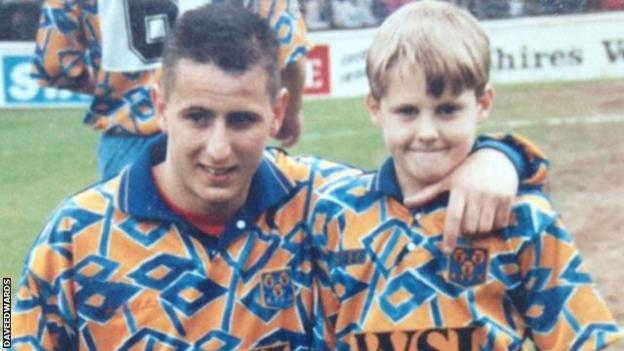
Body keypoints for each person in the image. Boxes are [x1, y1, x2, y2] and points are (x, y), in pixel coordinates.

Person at [13, 3, 549, 350]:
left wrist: (501, 156)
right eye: (197, 117)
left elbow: (416, 188)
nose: (219, 149)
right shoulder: (74, 231)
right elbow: (7, 313)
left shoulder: (323, 202)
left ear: (278, 113)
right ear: (160, 105)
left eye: (242, 120)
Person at [309, 1, 624, 350]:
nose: (427, 131)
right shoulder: (335, 216)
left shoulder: (522, 216)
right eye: (407, 111)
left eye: (447, 110)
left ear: (483, 103)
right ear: (376, 109)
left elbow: (589, 340)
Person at [31, 0, 307, 180]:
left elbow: (56, 65)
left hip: (130, 140)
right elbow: (290, 53)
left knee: (132, 256)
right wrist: (291, 114)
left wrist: (119, 88)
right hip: (225, 132)